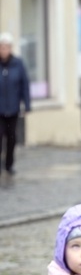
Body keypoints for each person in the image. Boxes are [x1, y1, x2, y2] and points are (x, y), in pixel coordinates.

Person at [0, 32, 30, 175]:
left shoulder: (18, 64)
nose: (3, 50)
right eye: (1, 47)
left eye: (6, 47)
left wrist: (27, 104)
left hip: (13, 108)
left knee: (12, 138)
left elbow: (24, 85)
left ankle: (9, 164)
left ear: (10, 48)